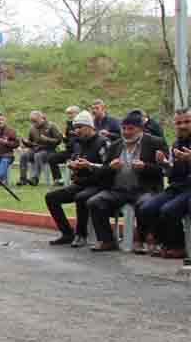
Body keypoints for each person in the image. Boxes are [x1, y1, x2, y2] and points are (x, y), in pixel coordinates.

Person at [86, 111, 167, 252]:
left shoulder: (155, 142)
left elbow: (164, 169)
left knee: (145, 204)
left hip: (144, 189)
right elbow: (102, 171)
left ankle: (141, 240)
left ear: (140, 129)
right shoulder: (115, 145)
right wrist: (111, 168)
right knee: (95, 202)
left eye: (131, 129)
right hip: (119, 190)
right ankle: (106, 241)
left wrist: (145, 167)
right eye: (124, 128)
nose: (126, 132)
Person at [46, 112, 110, 246]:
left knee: (81, 197)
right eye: (75, 127)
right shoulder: (79, 143)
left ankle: (81, 234)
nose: (77, 131)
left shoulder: (102, 143)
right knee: (51, 197)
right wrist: (73, 165)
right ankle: (67, 233)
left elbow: (108, 168)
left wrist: (89, 166)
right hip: (80, 183)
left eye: (80, 127)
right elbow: (76, 158)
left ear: (90, 126)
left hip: (98, 185)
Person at [136, 108, 191, 258]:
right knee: (147, 208)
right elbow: (172, 174)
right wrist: (165, 164)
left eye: (187, 122)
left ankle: (178, 247)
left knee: (168, 210)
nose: (183, 126)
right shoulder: (176, 144)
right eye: (179, 123)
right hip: (177, 187)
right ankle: (164, 243)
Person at [20, 111, 65, 187]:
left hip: (49, 150)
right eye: (32, 121)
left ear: (41, 118)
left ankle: (35, 179)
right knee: (23, 156)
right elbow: (31, 142)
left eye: (35, 121)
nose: (34, 123)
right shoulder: (33, 128)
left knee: (38, 156)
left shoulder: (51, 126)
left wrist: (46, 139)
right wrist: (25, 142)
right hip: (35, 149)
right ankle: (23, 179)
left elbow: (58, 140)